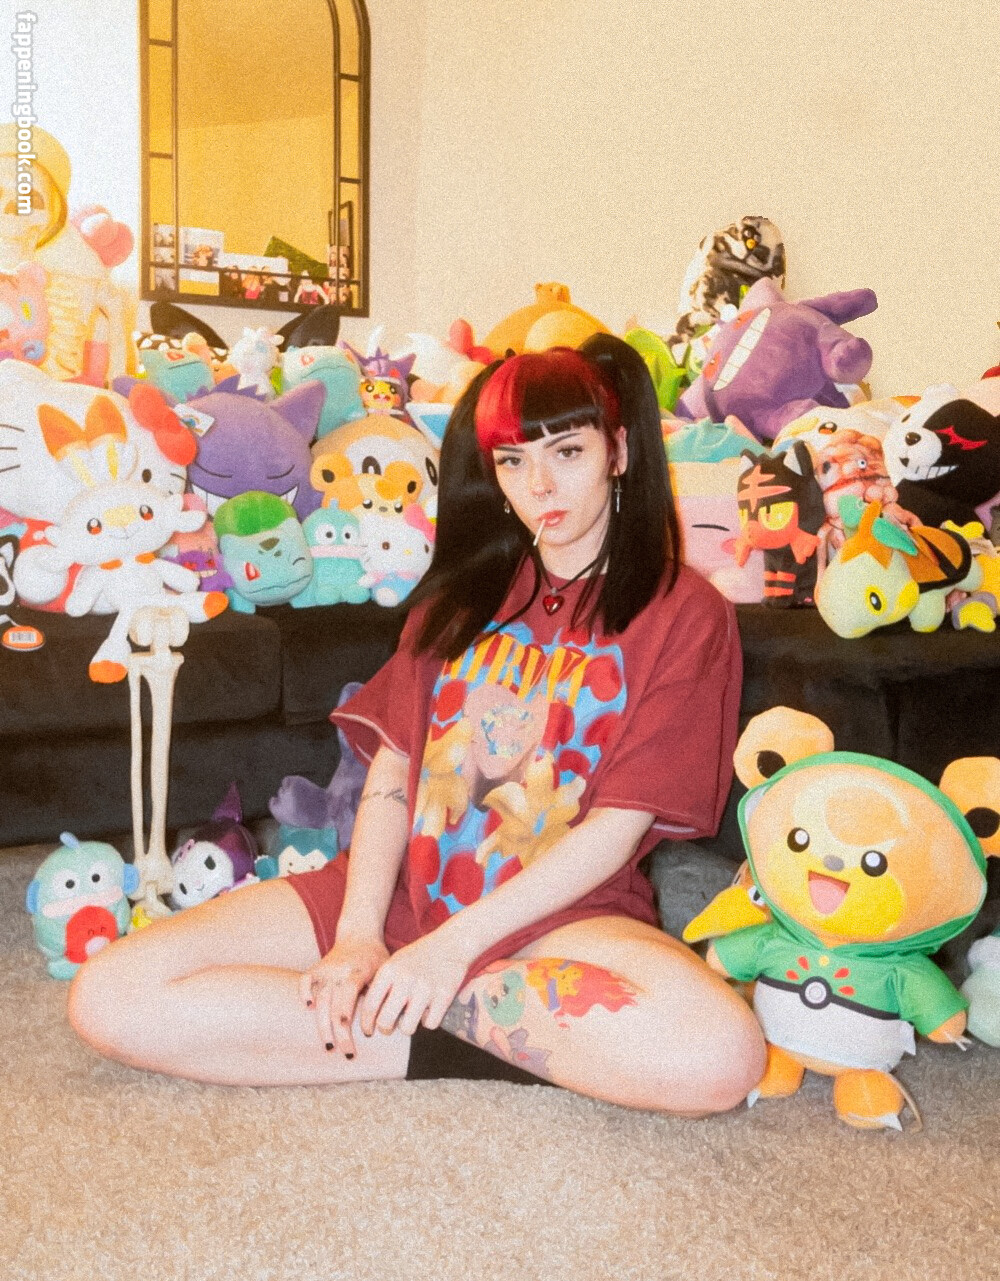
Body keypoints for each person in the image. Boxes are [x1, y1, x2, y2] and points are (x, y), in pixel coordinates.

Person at [68, 335, 765, 1114]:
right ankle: (446, 1028)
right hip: (402, 891)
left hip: (560, 921)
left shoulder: (686, 614)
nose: (539, 484)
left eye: (567, 451)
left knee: (723, 1053)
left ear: (620, 451)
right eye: (512, 461)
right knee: (109, 994)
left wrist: (449, 954)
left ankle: (423, 1011)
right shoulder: (462, 596)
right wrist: (359, 935)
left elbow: (616, 828)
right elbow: (392, 774)